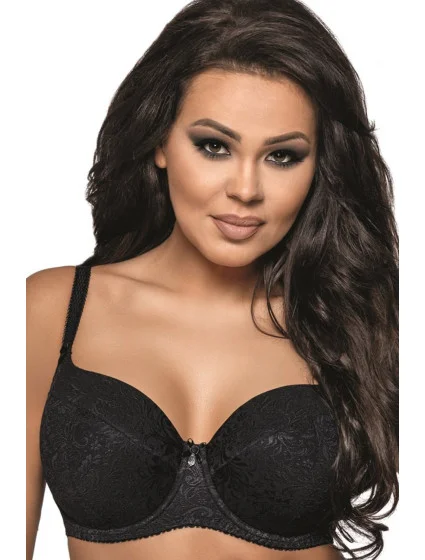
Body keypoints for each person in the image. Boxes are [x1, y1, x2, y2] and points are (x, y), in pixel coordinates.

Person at [26, 0, 399, 559]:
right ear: (159, 142)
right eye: (214, 146)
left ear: (319, 165)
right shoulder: (51, 311)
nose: (245, 189)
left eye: (282, 156)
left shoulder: (358, 320)